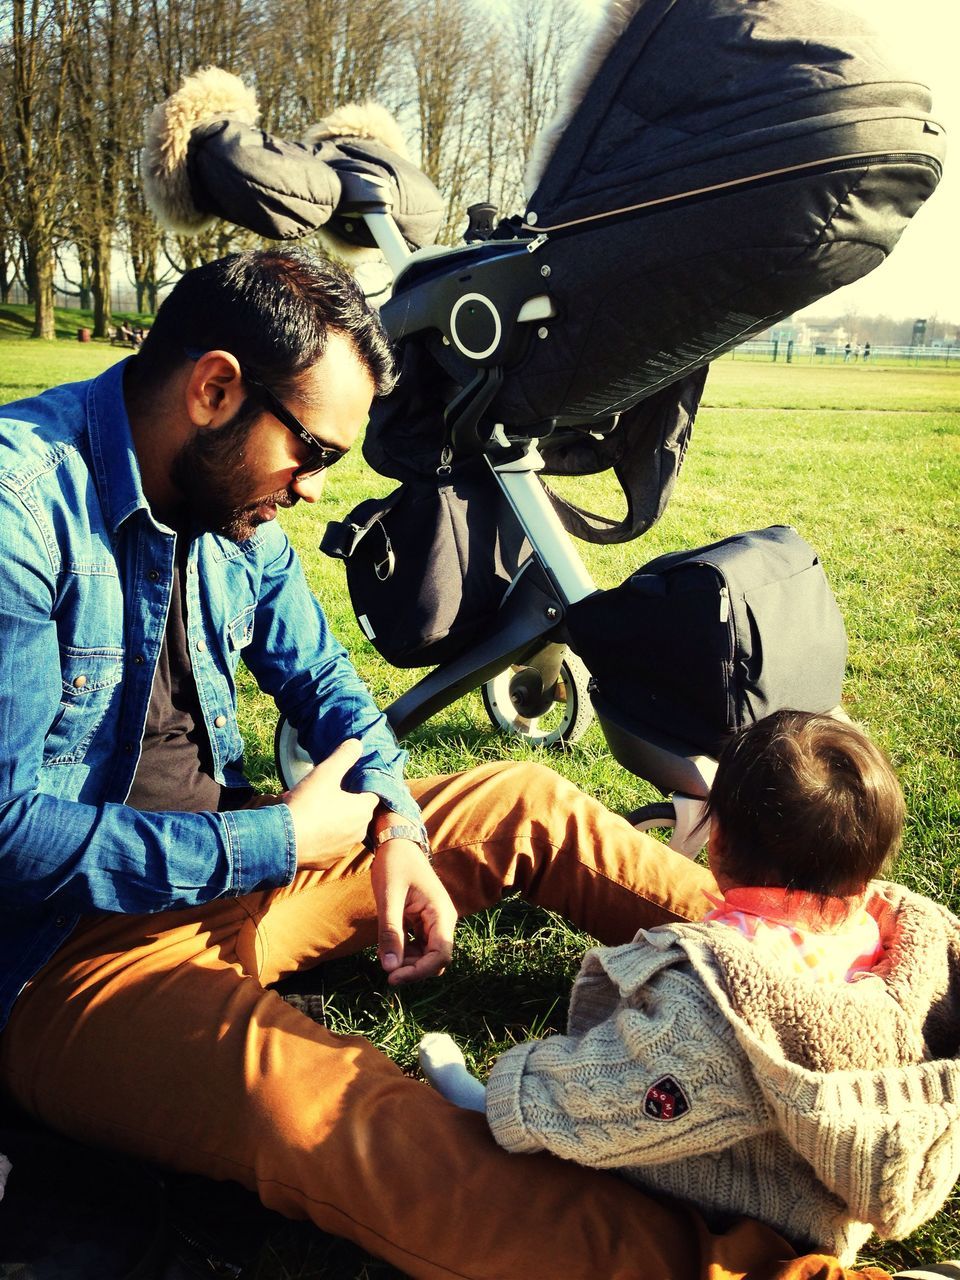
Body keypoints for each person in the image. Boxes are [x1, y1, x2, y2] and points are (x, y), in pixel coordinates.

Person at [0, 247, 935, 1280]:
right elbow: (11, 835)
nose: (313, 488)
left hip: (244, 868)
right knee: (357, 1116)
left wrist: (398, 825)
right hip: (68, 960)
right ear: (215, 388)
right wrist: (276, 836)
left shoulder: (232, 504)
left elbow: (329, 687)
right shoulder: (21, 508)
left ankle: (841, 980)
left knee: (520, 797)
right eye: (310, 450)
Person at [420, 711, 960, 1275]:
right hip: (827, 1214)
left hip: (729, 1212)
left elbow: (609, 1092)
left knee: (555, 1183)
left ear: (717, 841)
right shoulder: (915, 954)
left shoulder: (714, 1011)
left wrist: (516, 1095)